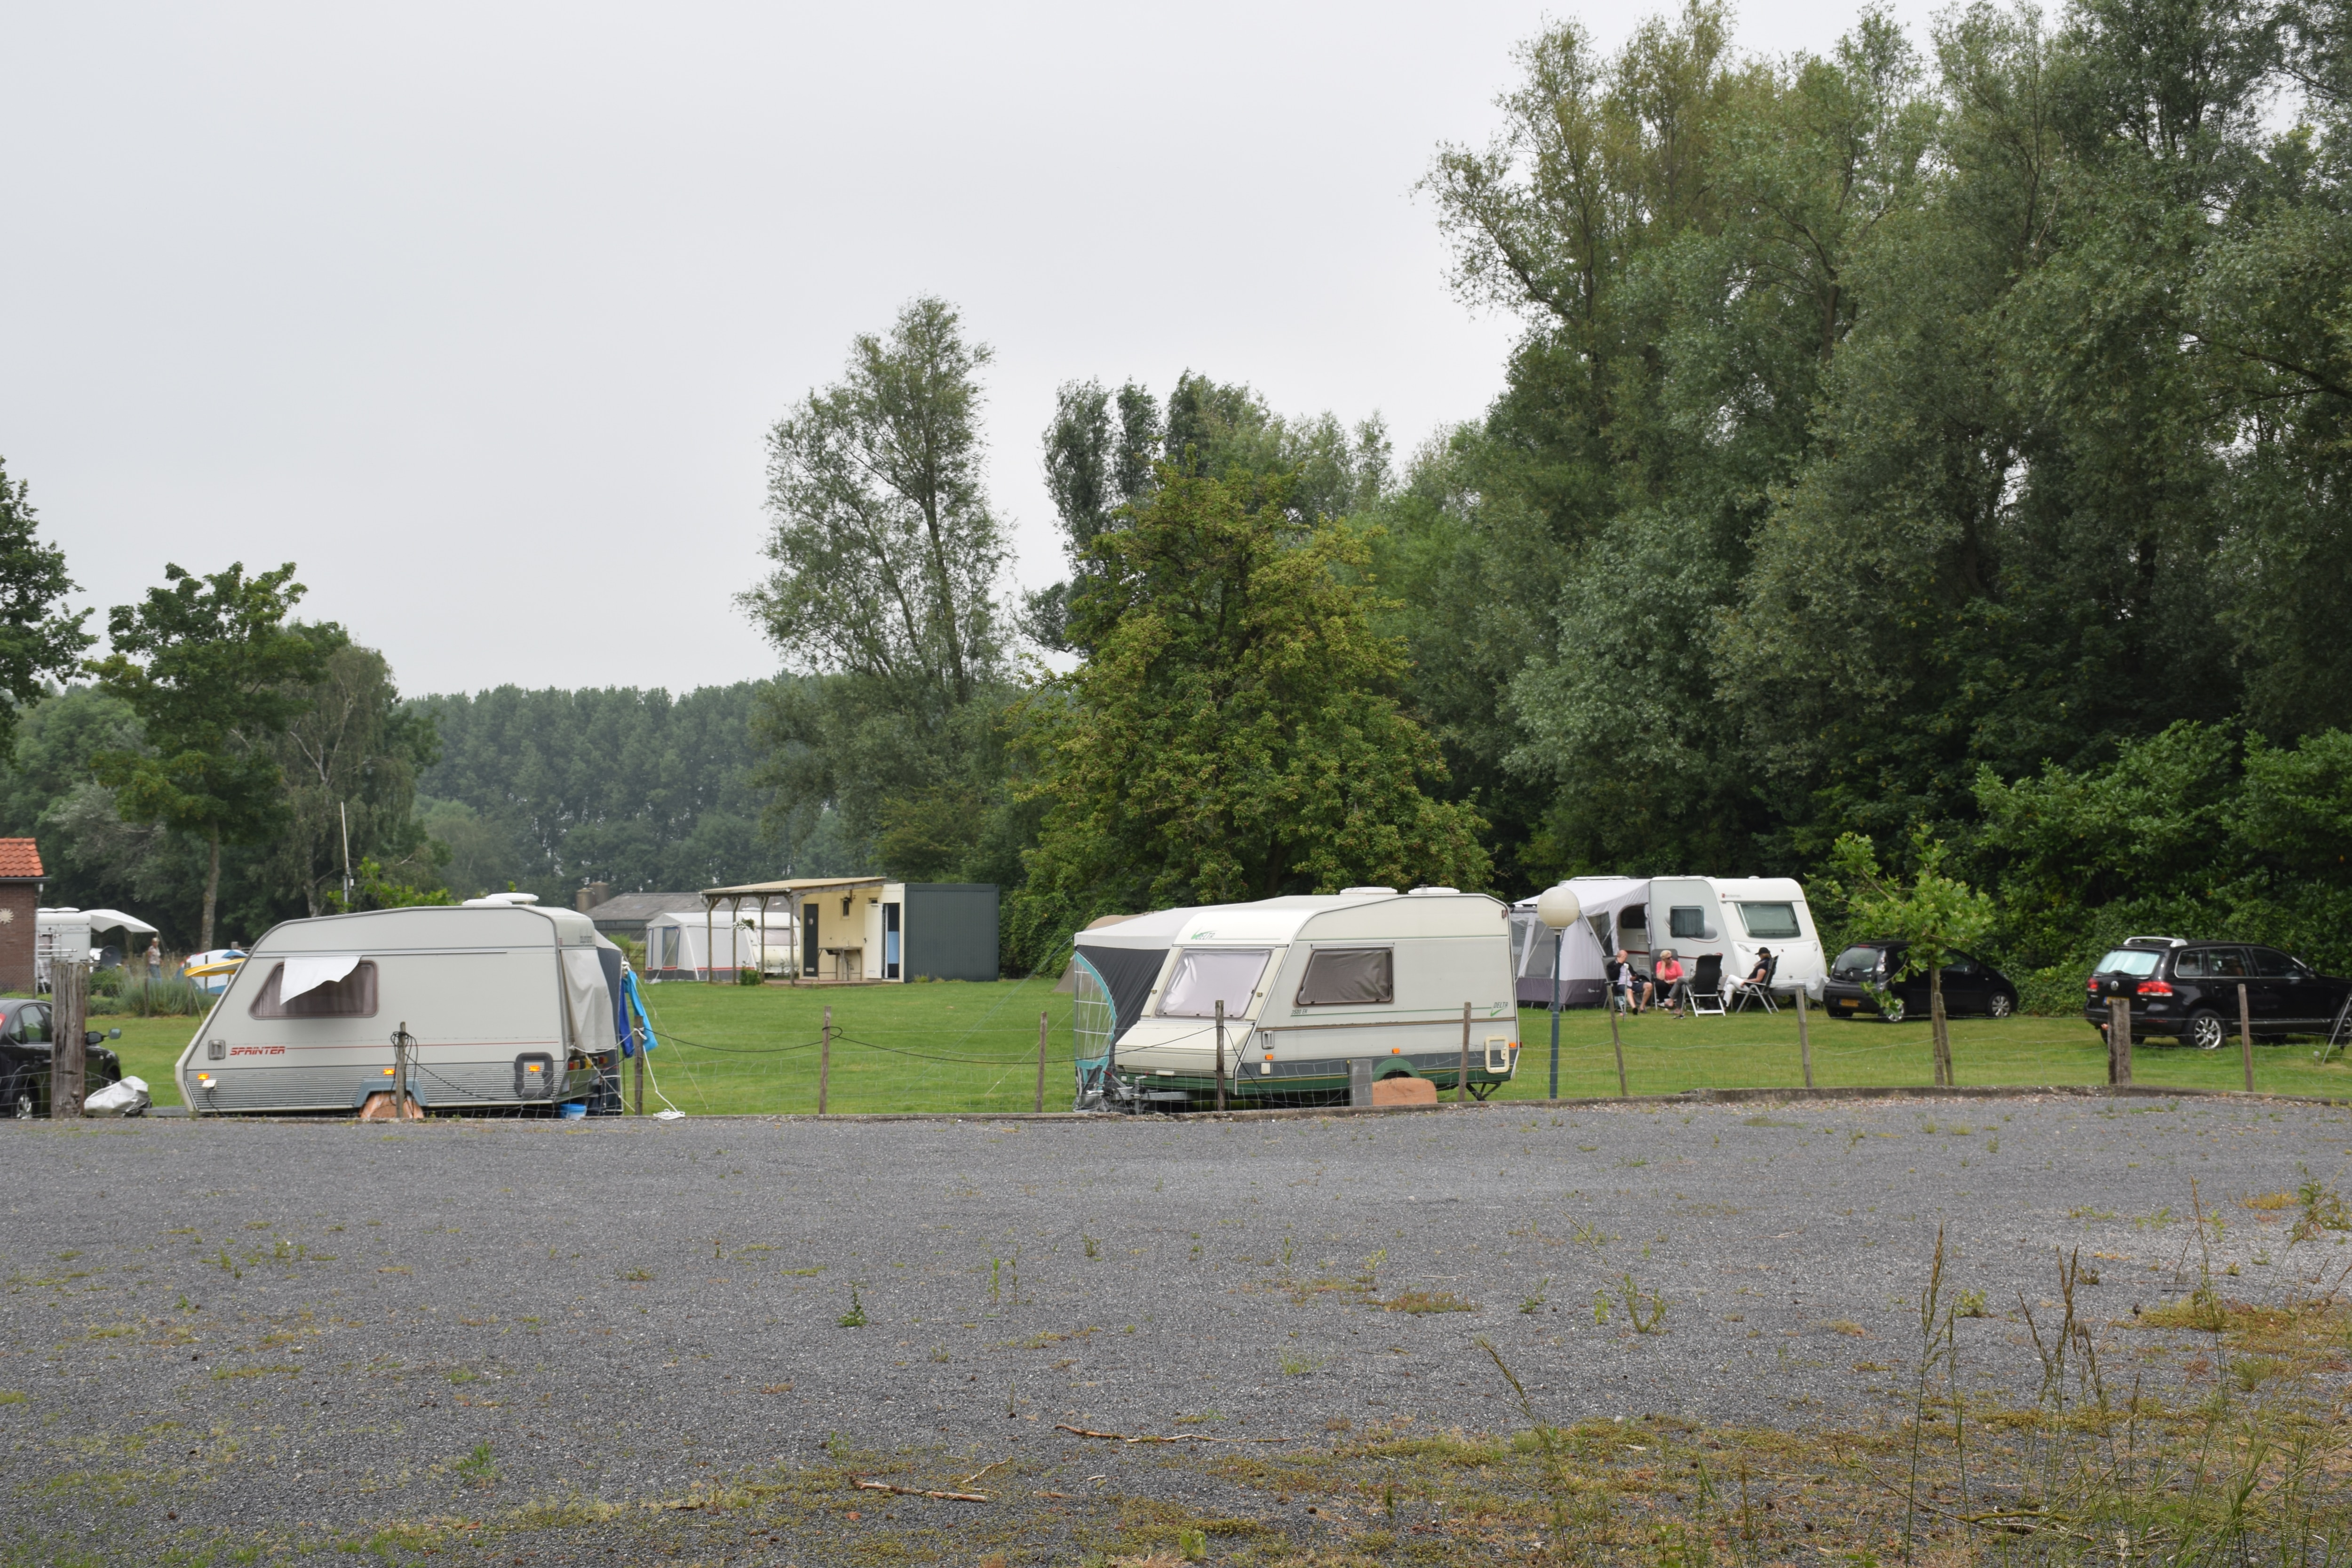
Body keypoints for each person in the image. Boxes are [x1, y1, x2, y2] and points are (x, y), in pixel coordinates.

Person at [1609, 949, 1651, 1014]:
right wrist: (1619, 964)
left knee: (1649, 985)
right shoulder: (1612, 965)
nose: (1626, 959)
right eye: (1624, 957)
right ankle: (1634, 1008)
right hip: (1621, 984)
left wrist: (1635, 977)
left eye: (1626, 957)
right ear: (1618, 957)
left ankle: (1642, 1007)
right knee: (1629, 991)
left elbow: (1636, 974)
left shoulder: (1627, 964)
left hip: (1632, 983)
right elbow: (1613, 976)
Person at [1653, 949, 1687, 1016]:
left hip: (1675, 984)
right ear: (1664, 959)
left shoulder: (1676, 964)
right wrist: (1663, 965)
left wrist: (1670, 981)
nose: (1671, 959)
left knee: (1681, 984)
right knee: (1659, 983)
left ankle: (1673, 1003)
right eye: (1668, 958)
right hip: (1666, 986)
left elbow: (1681, 978)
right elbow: (1660, 978)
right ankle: (1662, 1002)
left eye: (1672, 957)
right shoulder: (1659, 964)